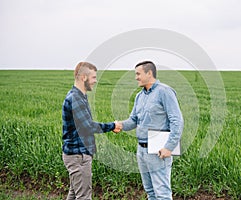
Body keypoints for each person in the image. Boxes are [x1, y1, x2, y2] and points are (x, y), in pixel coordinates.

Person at [120, 61, 184, 199]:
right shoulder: (140, 96)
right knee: (150, 191)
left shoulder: (164, 92)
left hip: (158, 150)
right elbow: (133, 121)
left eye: (138, 74)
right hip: (141, 150)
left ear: (149, 73)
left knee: (162, 193)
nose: (136, 77)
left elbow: (177, 121)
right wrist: (119, 125)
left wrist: (169, 147)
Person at [62, 61, 122, 200]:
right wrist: (112, 126)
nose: (95, 81)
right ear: (84, 77)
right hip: (78, 155)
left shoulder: (80, 96)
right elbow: (88, 126)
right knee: (84, 196)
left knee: (74, 194)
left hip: (78, 153)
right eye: (94, 77)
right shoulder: (75, 98)